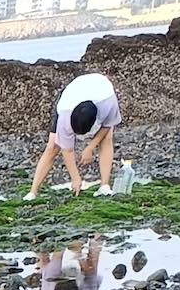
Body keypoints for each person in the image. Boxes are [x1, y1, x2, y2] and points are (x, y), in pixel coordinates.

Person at [31, 71, 123, 199]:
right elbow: (67, 150)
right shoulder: (65, 112)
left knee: (107, 139)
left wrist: (90, 148)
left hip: (101, 89)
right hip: (73, 94)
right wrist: (76, 178)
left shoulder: (108, 103)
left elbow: (107, 126)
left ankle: (104, 185)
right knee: (53, 146)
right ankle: (32, 192)